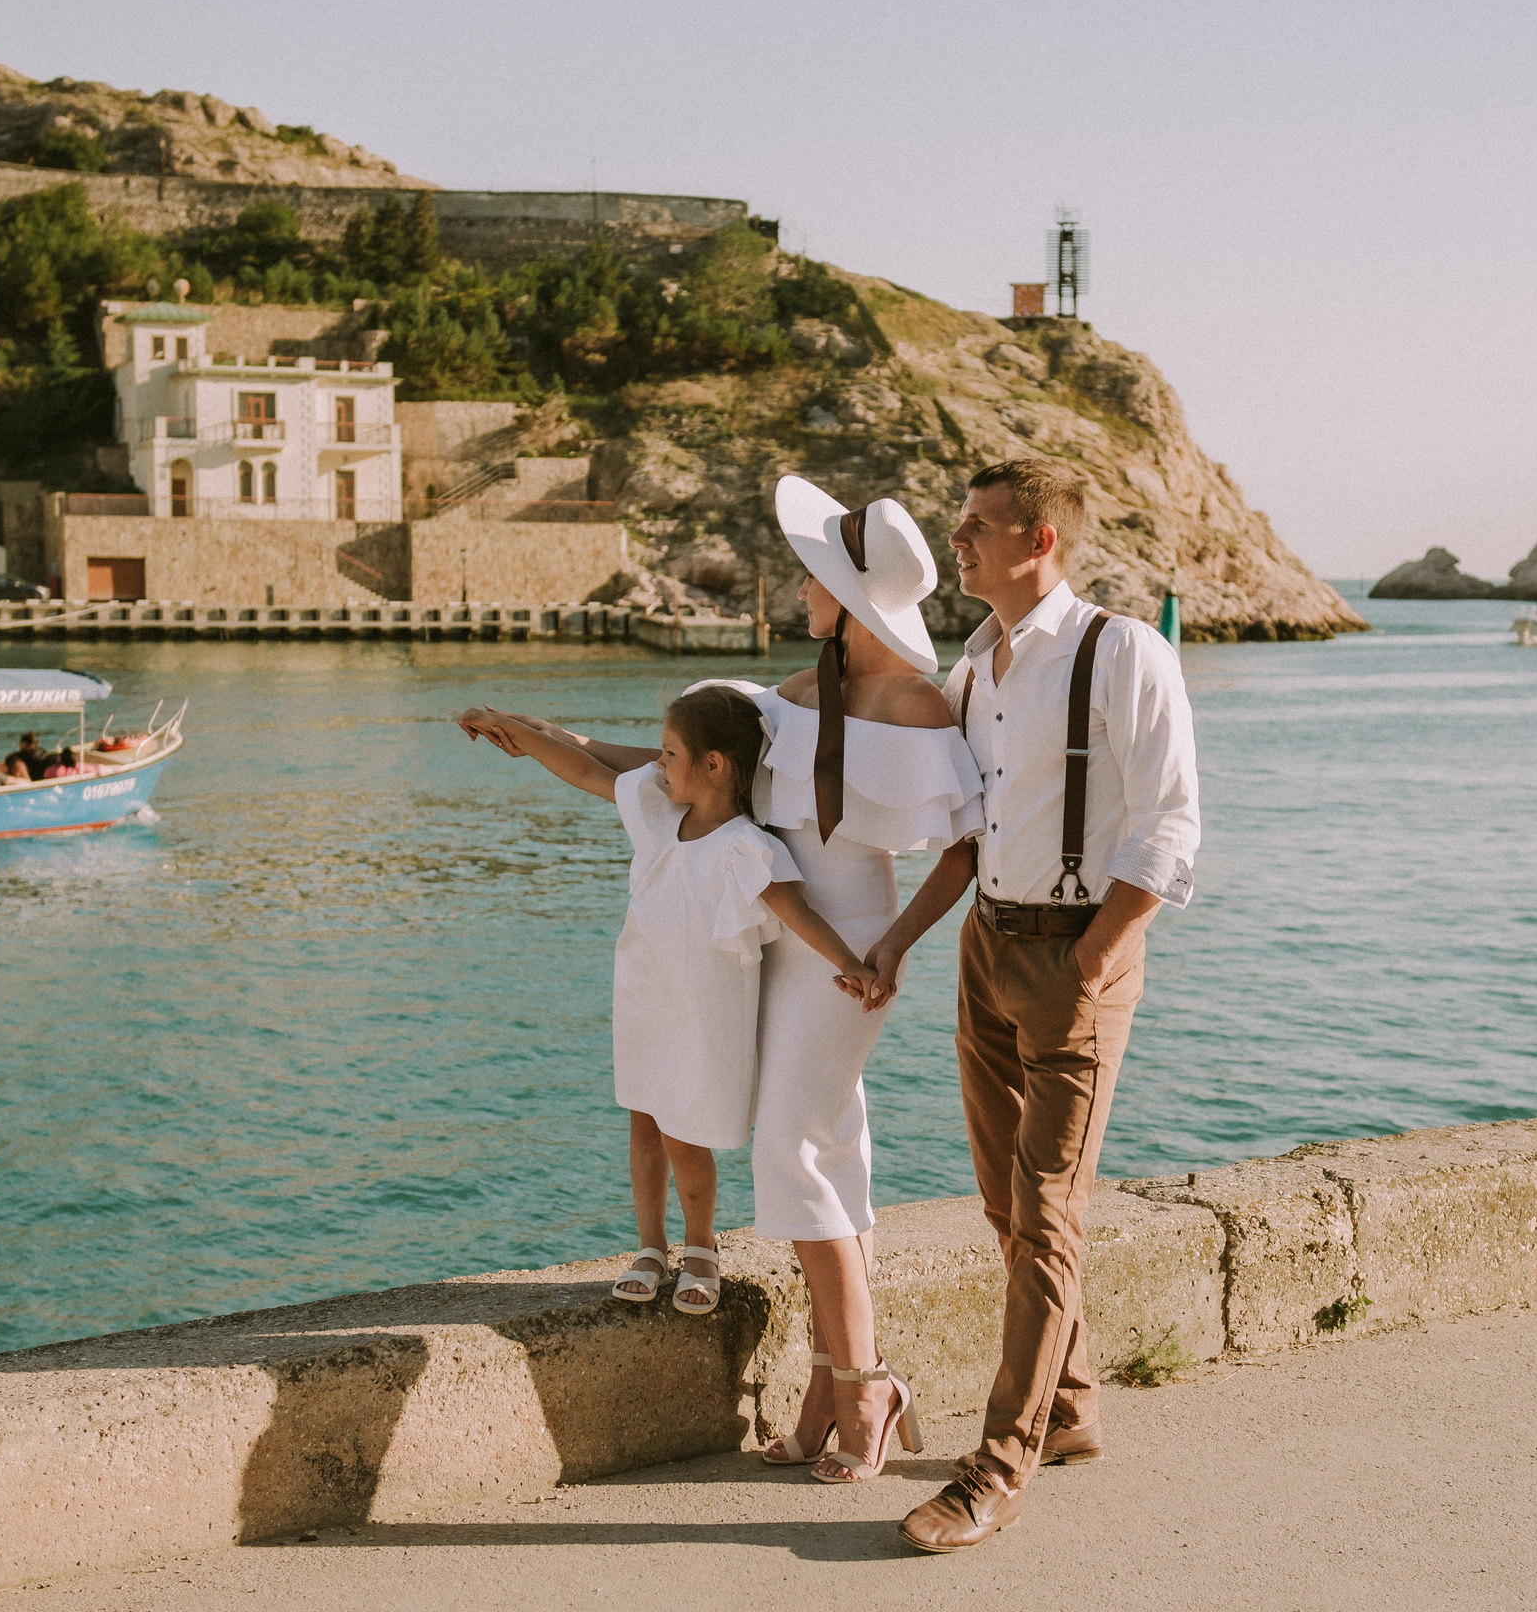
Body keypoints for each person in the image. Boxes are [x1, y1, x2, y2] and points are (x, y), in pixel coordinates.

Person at [458, 478, 981, 1484]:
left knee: (791, 1147)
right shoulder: (788, 694)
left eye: (813, 576)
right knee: (831, 1150)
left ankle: (866, 1380)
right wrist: (538, 736)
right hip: (769, 931)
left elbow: (960, 851)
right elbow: (672, 775)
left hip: (851, 936)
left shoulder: (918, 702)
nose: (799, 587)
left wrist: (894, 949)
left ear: (844, 594)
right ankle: (830, 1383)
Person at [860, 457, 1201, 1554]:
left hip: (1073, 956)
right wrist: (899, 940)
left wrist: (1098, 954)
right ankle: (1071, 1405)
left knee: (1046, 1211)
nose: (955, 541)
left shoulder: (1122, 650)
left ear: (1038, 538)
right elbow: (964, 833)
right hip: (985, 944)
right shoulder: (974, 666)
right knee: (1008, 1208)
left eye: (975, 525)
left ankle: (995, 1471)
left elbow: (1168, 825)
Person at [456, 684, 881, 1327]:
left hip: (704, 1014)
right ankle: (650, 1245)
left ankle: (701, 1249)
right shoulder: (658, 814)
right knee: (645, 1121)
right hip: (646, 997)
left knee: (686, 1136)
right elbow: (583, 768)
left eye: (669, 752)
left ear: (714, 765)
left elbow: (799, 915)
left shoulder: (748, 849)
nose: (657, 764)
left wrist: (852, 965)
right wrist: (513, 728)